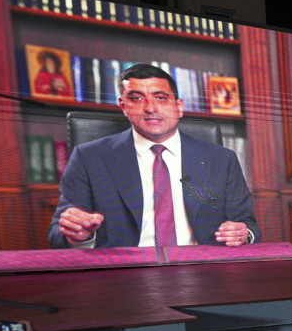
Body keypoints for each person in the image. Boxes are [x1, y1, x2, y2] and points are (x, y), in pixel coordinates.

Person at [49, 63, 260, 248]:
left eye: (161, 98)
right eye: (136, 98)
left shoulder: (221, 159)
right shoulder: (88, 158)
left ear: (179, 107)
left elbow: (249, 225)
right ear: (123, 106)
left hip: (201, 267)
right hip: (124, 270)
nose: (150, 108)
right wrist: (80, 235)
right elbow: (57, 236)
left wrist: (243, 234)